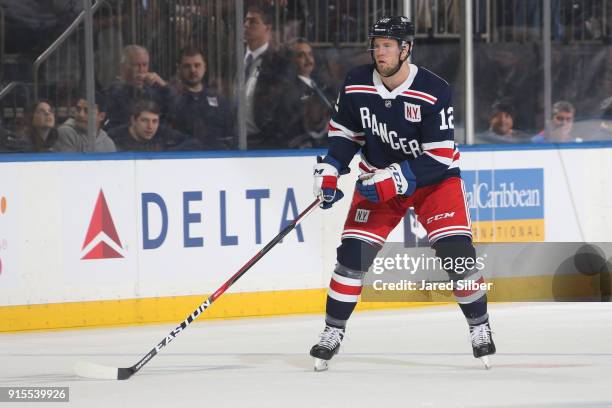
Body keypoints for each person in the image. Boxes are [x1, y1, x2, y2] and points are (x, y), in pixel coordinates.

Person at [309, 16, 495, 371]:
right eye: (377, 44)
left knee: (458, 256)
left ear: (406, 49)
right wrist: (331, 167)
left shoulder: (433, 89)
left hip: (433, 182)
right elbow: (345, 135)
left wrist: (396, 176)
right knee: (351, 257)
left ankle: (479, 326)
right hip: (377, 180)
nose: (380, 52)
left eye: (388, 45)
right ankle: (332, 331)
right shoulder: (356, 83)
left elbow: (439, 156)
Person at [169, 47, 234, 150]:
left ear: (205, 67)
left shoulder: (219, 99)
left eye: (197, 65)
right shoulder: (172, 99)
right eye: (187, 66)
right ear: (179, 68)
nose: (193, 70)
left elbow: (229, 134)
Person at [104, 45, 170, 130]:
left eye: (145, 65)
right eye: (136, 65)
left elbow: (176, 109)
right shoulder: (114, 93)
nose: (141, 70)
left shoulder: (153, 89)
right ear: (123, 67)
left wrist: (163, 84)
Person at [285, 38, 334, 148]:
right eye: (301, 55)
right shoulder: (291, 90)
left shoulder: (321, 85)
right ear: (292, 60)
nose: (308, 59)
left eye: (310, 54)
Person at [108, 100, 187, 152]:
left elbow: (191, 142)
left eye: (155, 121)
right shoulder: (114, 138)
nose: (150, 126)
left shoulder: (163, 133)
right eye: (144, 120)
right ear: (133, 120)